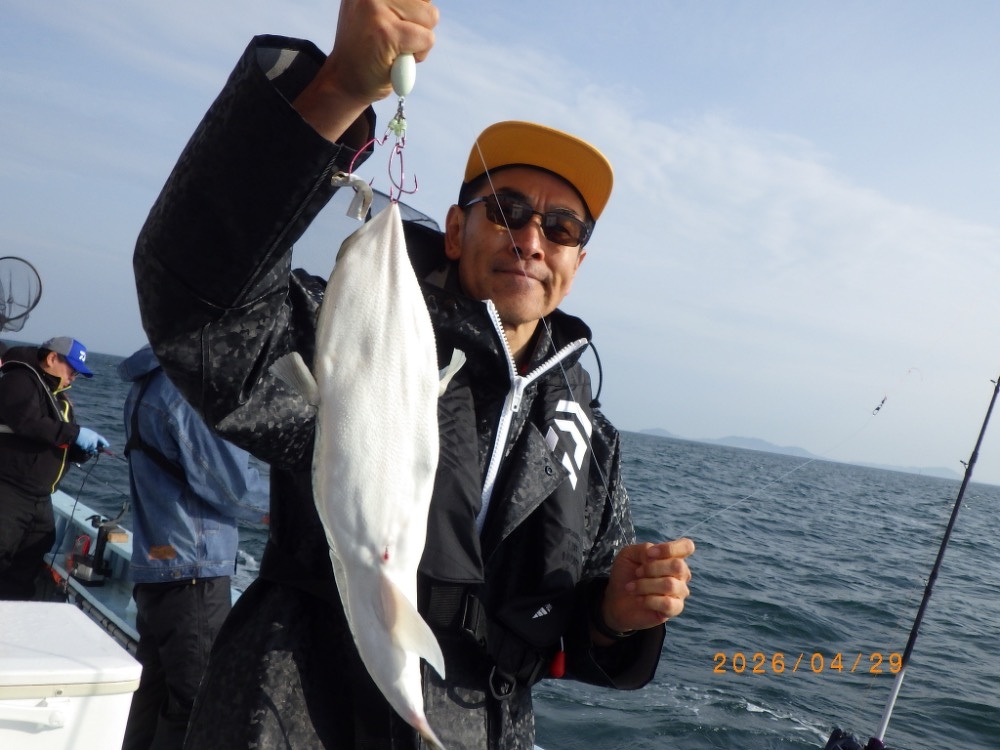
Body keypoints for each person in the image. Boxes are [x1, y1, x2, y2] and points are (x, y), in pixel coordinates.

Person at [133, 2, 695, 747]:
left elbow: (569, 625)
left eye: (561, 228)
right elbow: (197, 302)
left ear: (576, 264)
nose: (532, 240)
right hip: (292, 716)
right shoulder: (356, 327)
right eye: (507, 209)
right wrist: (336, 89)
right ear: (456, 231)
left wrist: (614, 616)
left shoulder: (592, 442)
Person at [118, 344, 270, 750]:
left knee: (150, 697)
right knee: (196, 704)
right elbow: (233, 489)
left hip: (157, 565)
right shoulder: (185, 391)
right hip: (192, 575)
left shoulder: (144, 386)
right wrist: (291, 503)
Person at [0, 336, 109, 600]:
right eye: (72, 370)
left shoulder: (60, 400)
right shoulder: (19, 380)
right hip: (9, 491)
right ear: (51, 358)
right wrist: (75, 434)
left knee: (29, 562)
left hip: (40, 498)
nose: (74, 378)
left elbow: (57, 436)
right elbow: (27, 422)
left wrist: (81, 450)